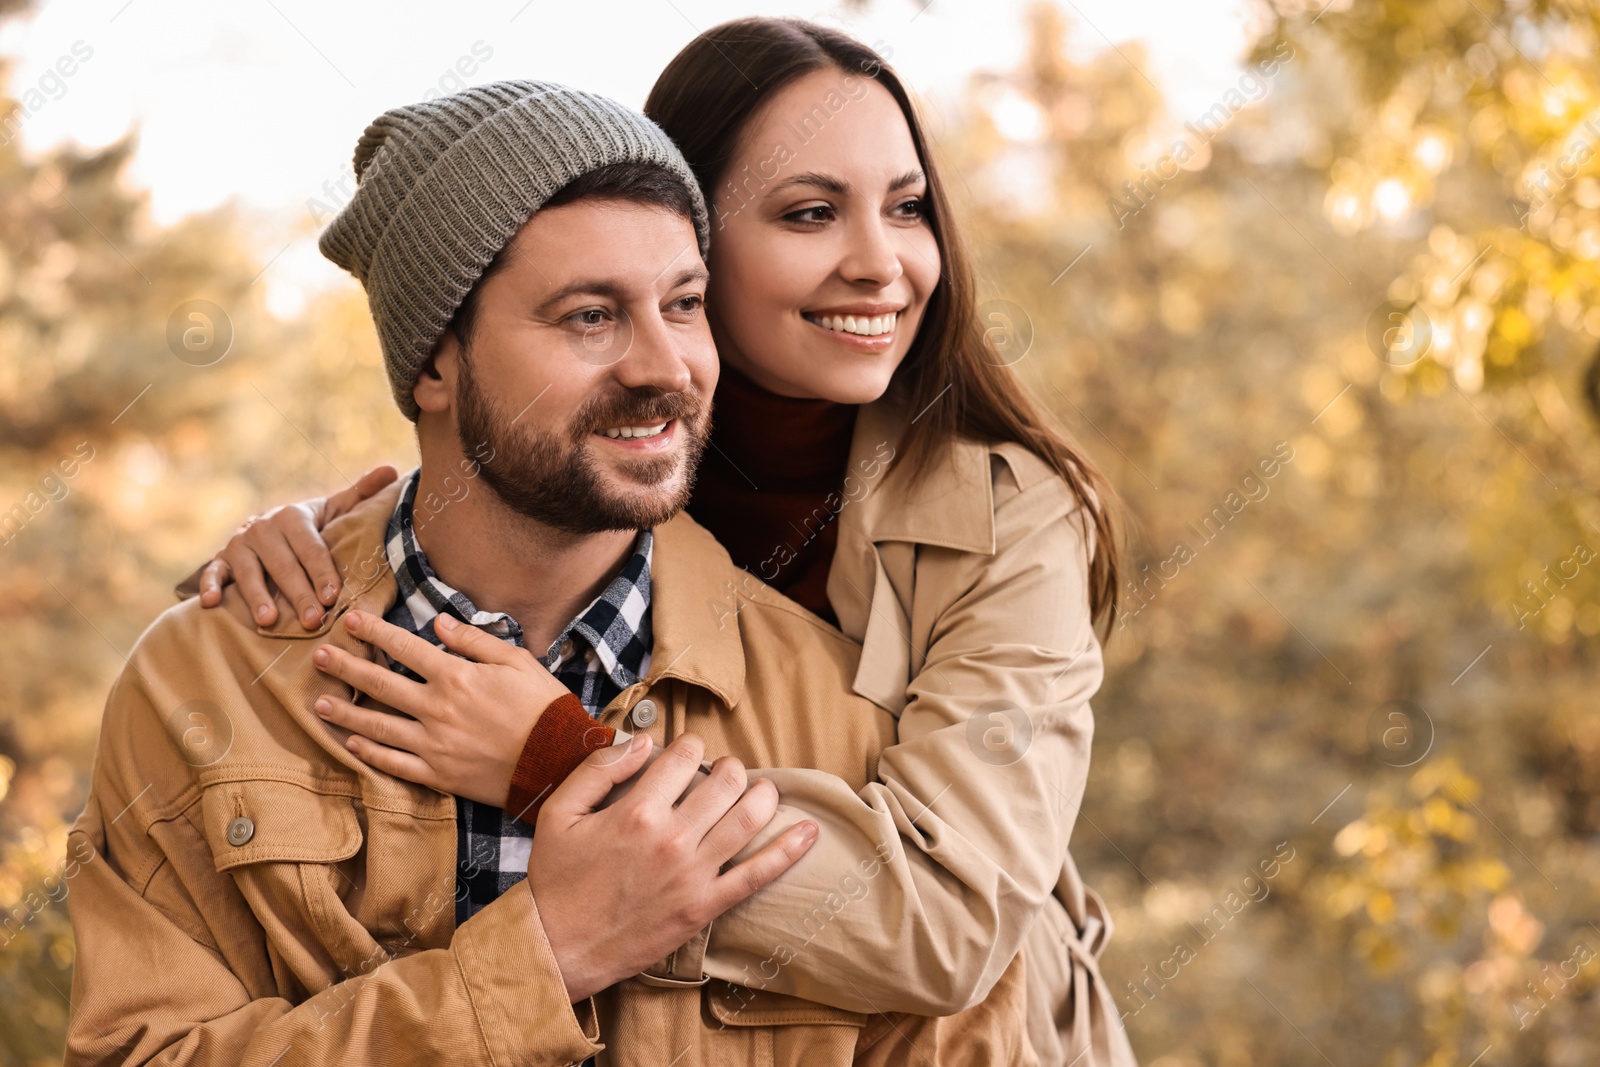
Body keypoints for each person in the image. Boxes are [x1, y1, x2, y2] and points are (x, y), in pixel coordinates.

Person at [191, 17, 1138, 1067]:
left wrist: (553, 759)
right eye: (811, 213)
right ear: (688, 233)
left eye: (908, 207)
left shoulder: (1011, 519)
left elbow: (948, 920)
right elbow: (474, 461)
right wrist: (306, 543)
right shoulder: (611, 449)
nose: (881, 263)